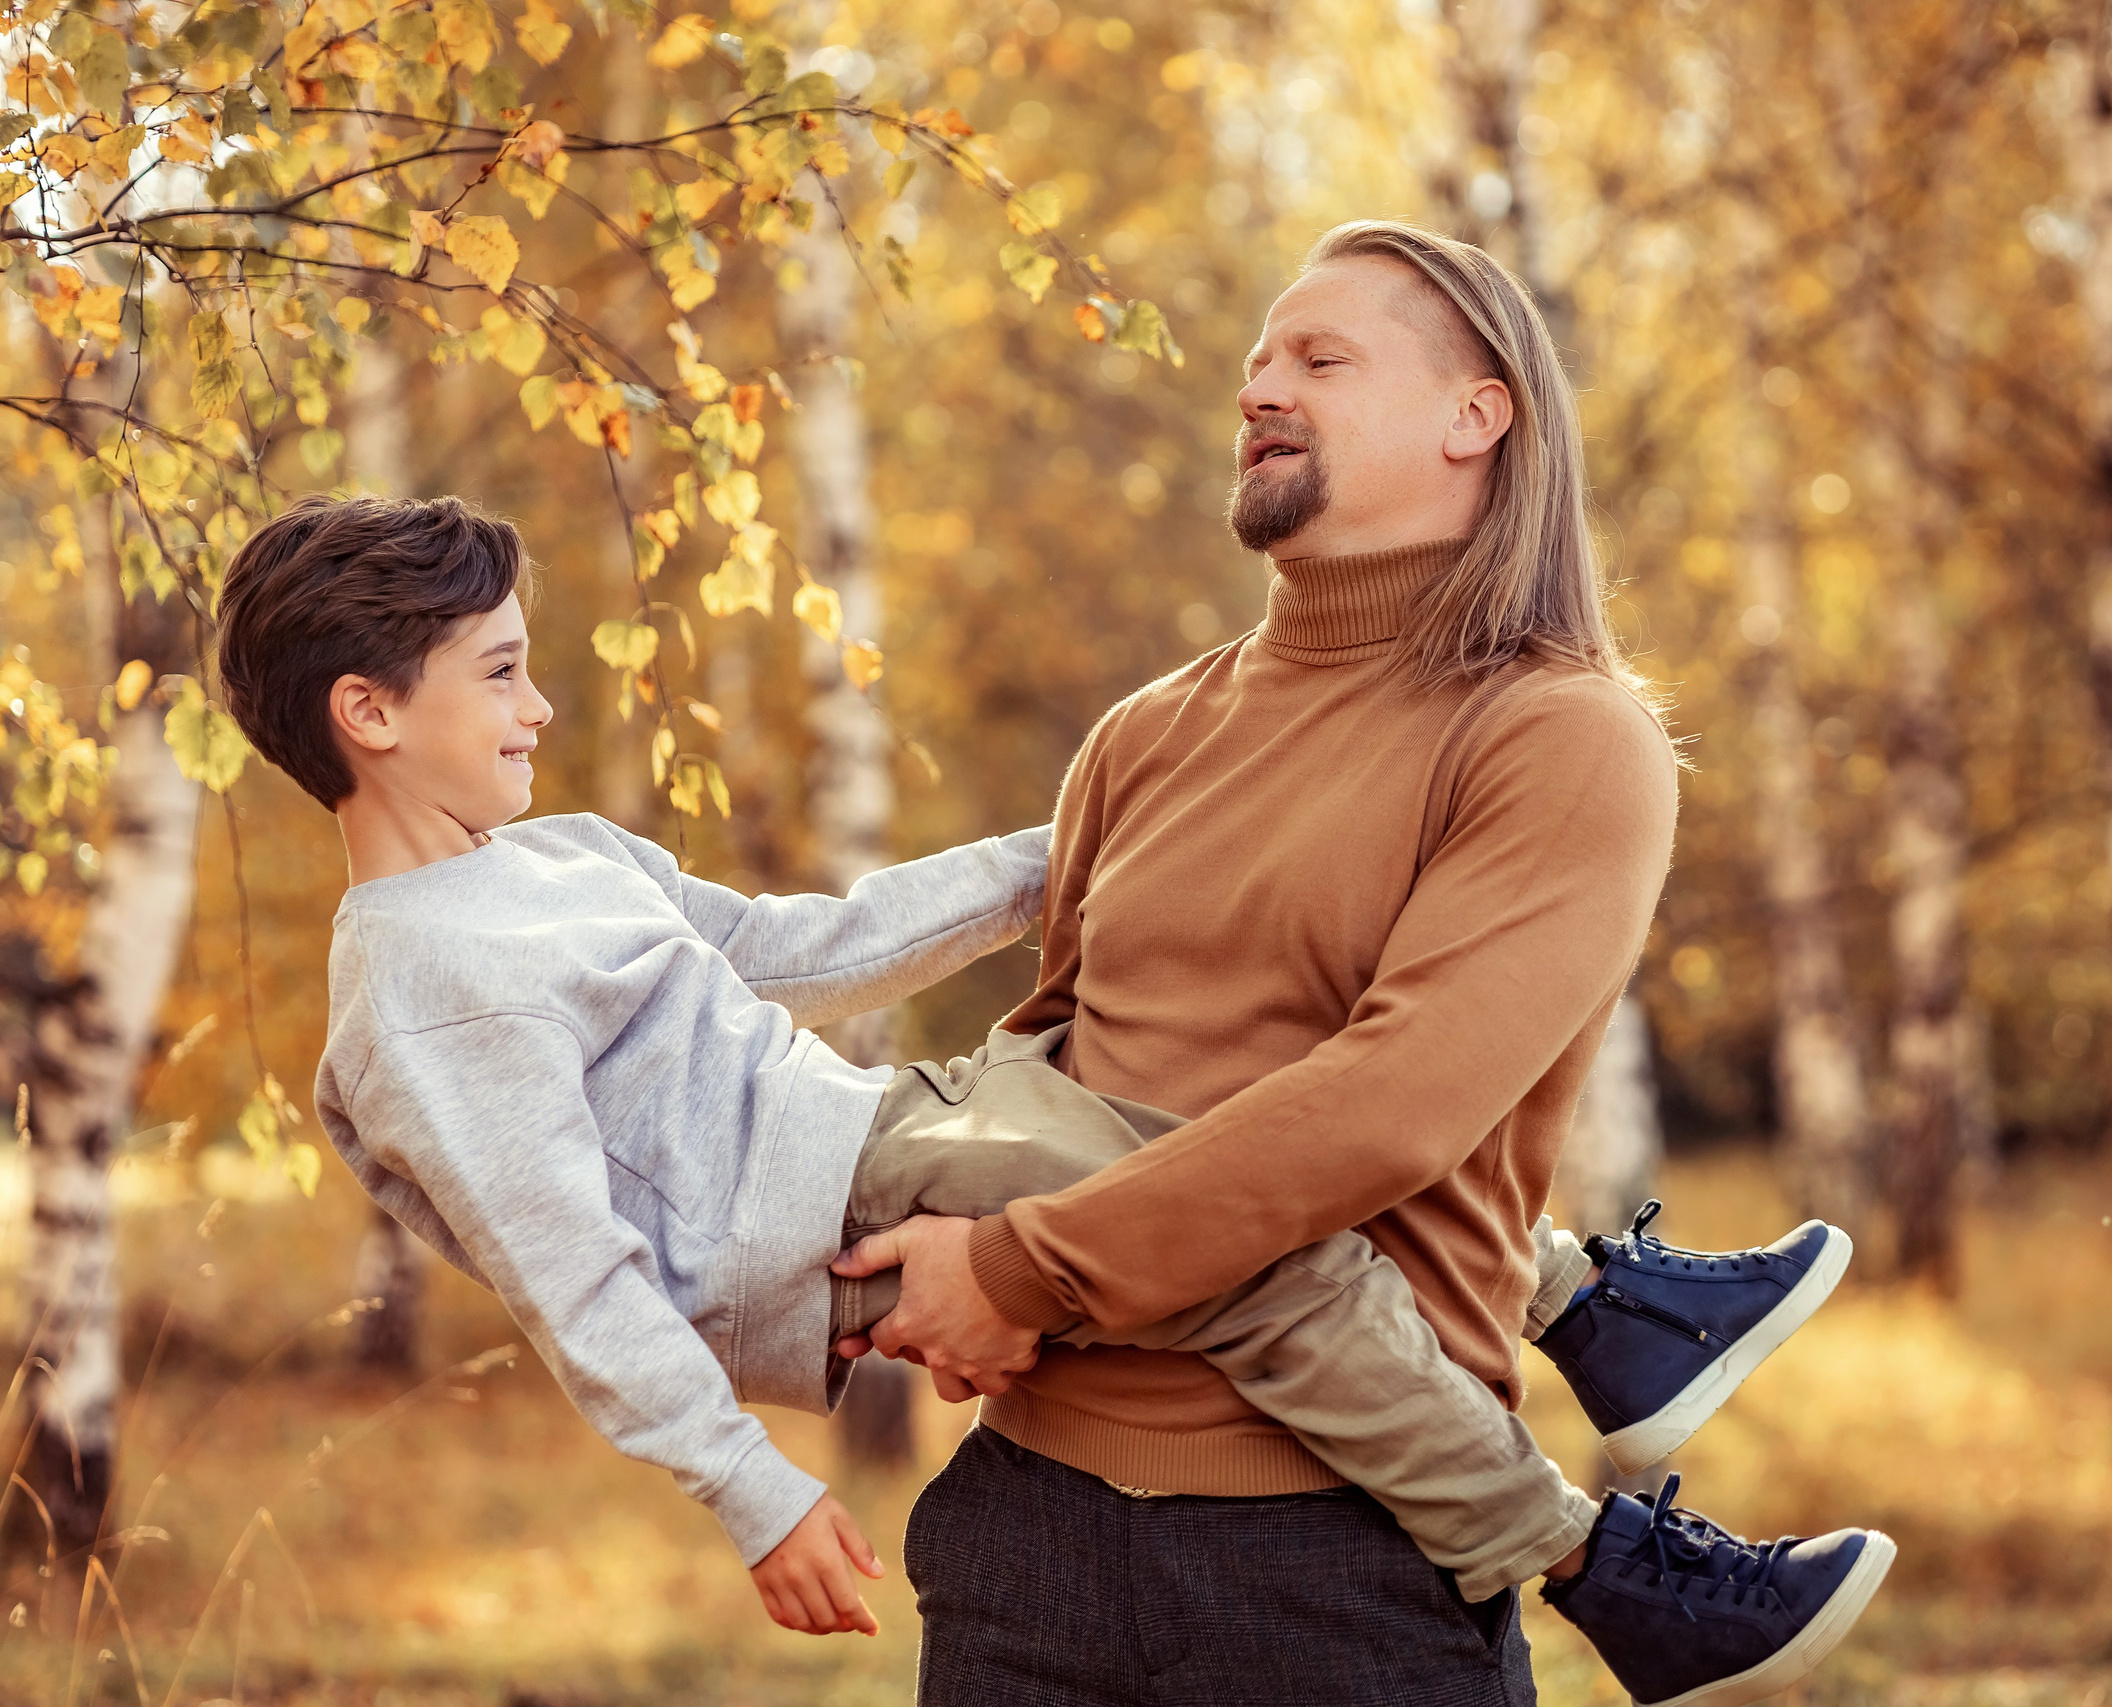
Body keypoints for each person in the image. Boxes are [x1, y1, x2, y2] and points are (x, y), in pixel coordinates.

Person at [216, 490, 1888, 1706]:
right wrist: (751, 1489)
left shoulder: (558, 858)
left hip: (878, 1129)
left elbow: (797, 949)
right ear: (372, 713)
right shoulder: (422, 984)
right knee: (1266, 1257)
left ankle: (1596, 1308)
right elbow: (567, 1271)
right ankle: (1595, 1562)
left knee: (1230, 1121)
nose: (540, 705)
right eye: (502, 674)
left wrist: (1072, 850)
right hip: (816, 1217)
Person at [844, 220, 1896, 1707]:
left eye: (1321, 359)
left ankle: (1606, 1343)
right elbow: (1056, 1068)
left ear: (1478, 416)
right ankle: (1611, 1310)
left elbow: (1390, 1106)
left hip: (1340, 1571)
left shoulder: (1556, 737)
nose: (1261, 386)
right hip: (1023, 1544)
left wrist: (1017, 1269)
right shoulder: (1144, 734)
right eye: (1259, 358)